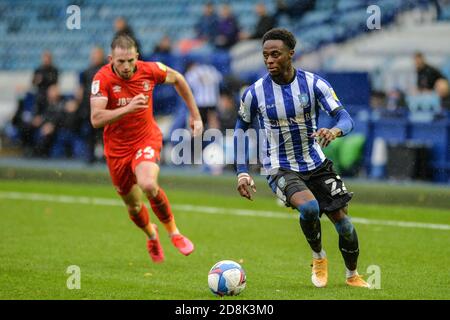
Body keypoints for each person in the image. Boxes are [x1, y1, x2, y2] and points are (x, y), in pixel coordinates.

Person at [234, 28, 369, 288]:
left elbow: (345, 118)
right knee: (309, 207)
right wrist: (242, 170)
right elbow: (240, 129)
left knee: (345, 225)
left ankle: (352, 275)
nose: (270, 60)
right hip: (279, 167)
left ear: (291, 54)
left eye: (276, 54)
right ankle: (319, 257)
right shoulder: (255, 93)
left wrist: (334, 130)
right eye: (265, 56)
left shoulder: (314, 84)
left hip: (316, 163)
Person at [90, 34, 203, 263]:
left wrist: (195, 115)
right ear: (111, 59)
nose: (126, 66)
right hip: (117, 151)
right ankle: (152, 234)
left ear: (137, 57)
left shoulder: (150, 70)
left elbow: (179, 79)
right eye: (121, 61)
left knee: (148, 184)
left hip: (145, 139)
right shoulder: (101, 79)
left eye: (130, 60)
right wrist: (128, 108)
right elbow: (96, 118)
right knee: (133, 206)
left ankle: (174, 233)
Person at [78, 47, 107, 163]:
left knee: (105, 133)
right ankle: (90, 157)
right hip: (89, 106)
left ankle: (107, 157)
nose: (95, 57)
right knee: (90, 133)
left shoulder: (107, 69)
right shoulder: (86, 71)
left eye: (97, 54)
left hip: (104, 107)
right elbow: (81, 89)